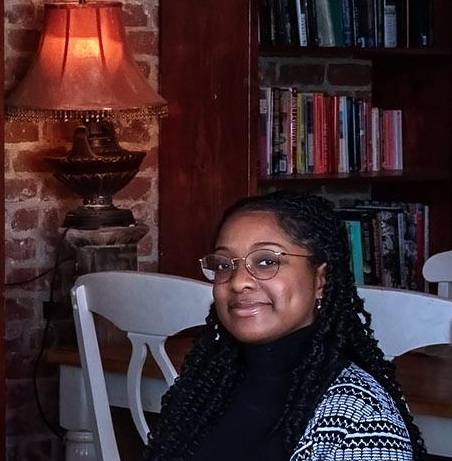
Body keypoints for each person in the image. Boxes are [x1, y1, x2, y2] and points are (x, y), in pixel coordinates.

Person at [149, 191, 422, 461]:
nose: (237, 282)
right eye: (224, 265)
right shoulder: (205, 385)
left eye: (267, 262)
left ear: (321, 280)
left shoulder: (361, 419)